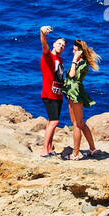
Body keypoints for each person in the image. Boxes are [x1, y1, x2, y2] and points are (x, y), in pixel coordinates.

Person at [64, 38, 101, 159]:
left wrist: (74, 60)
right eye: (73, 50)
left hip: (75, 94)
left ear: (80, 52)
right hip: (71, 93)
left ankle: (75, 154)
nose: (73, 52)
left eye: (75, 50)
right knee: (80, 123)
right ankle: (92, 149)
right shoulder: (79, 61)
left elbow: (72, 75)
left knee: (77, 124)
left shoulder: (82, 63)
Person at [39, 25, 66, 156]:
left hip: (58, 95)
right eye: (59, 43)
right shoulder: (48, 56)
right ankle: (44, 151)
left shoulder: (60, 60)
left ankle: (49, 148)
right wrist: (42, 33)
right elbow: (44, 46)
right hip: (49, 95)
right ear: (54, 44)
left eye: (63, 45)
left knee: (51, 121)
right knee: (55, 122)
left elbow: (59, 78)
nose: (61, 46)